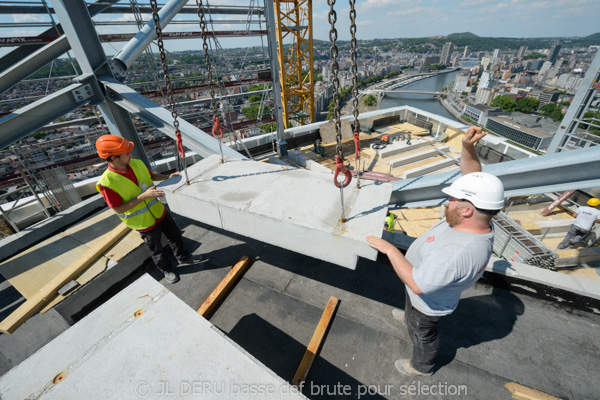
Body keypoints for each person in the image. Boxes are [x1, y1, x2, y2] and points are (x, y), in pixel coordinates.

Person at [366, 126, 504, 376]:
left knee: (422, 334)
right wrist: (467, 147)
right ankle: (408, 317)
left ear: (466, 211)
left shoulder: (454, 255)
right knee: (411, 310)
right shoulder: (480, 219)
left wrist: (389, 249)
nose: (447, 202)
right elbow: (473, 176)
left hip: (426, 304)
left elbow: (418, 284)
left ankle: (422, 366)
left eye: (453, 200)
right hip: (423, 290)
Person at [95, 135, 201, 284]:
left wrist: (167, 178)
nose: (131, 155)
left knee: (174, 234)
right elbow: (118, 209)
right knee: (155, 248)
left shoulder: (136, 163)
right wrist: (143, 196)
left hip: (158, 211)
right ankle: (166, 270)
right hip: (143, 222)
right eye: (126, 154)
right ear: (113, 158)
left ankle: (183, 257)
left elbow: (151, 176)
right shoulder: (107, 183)